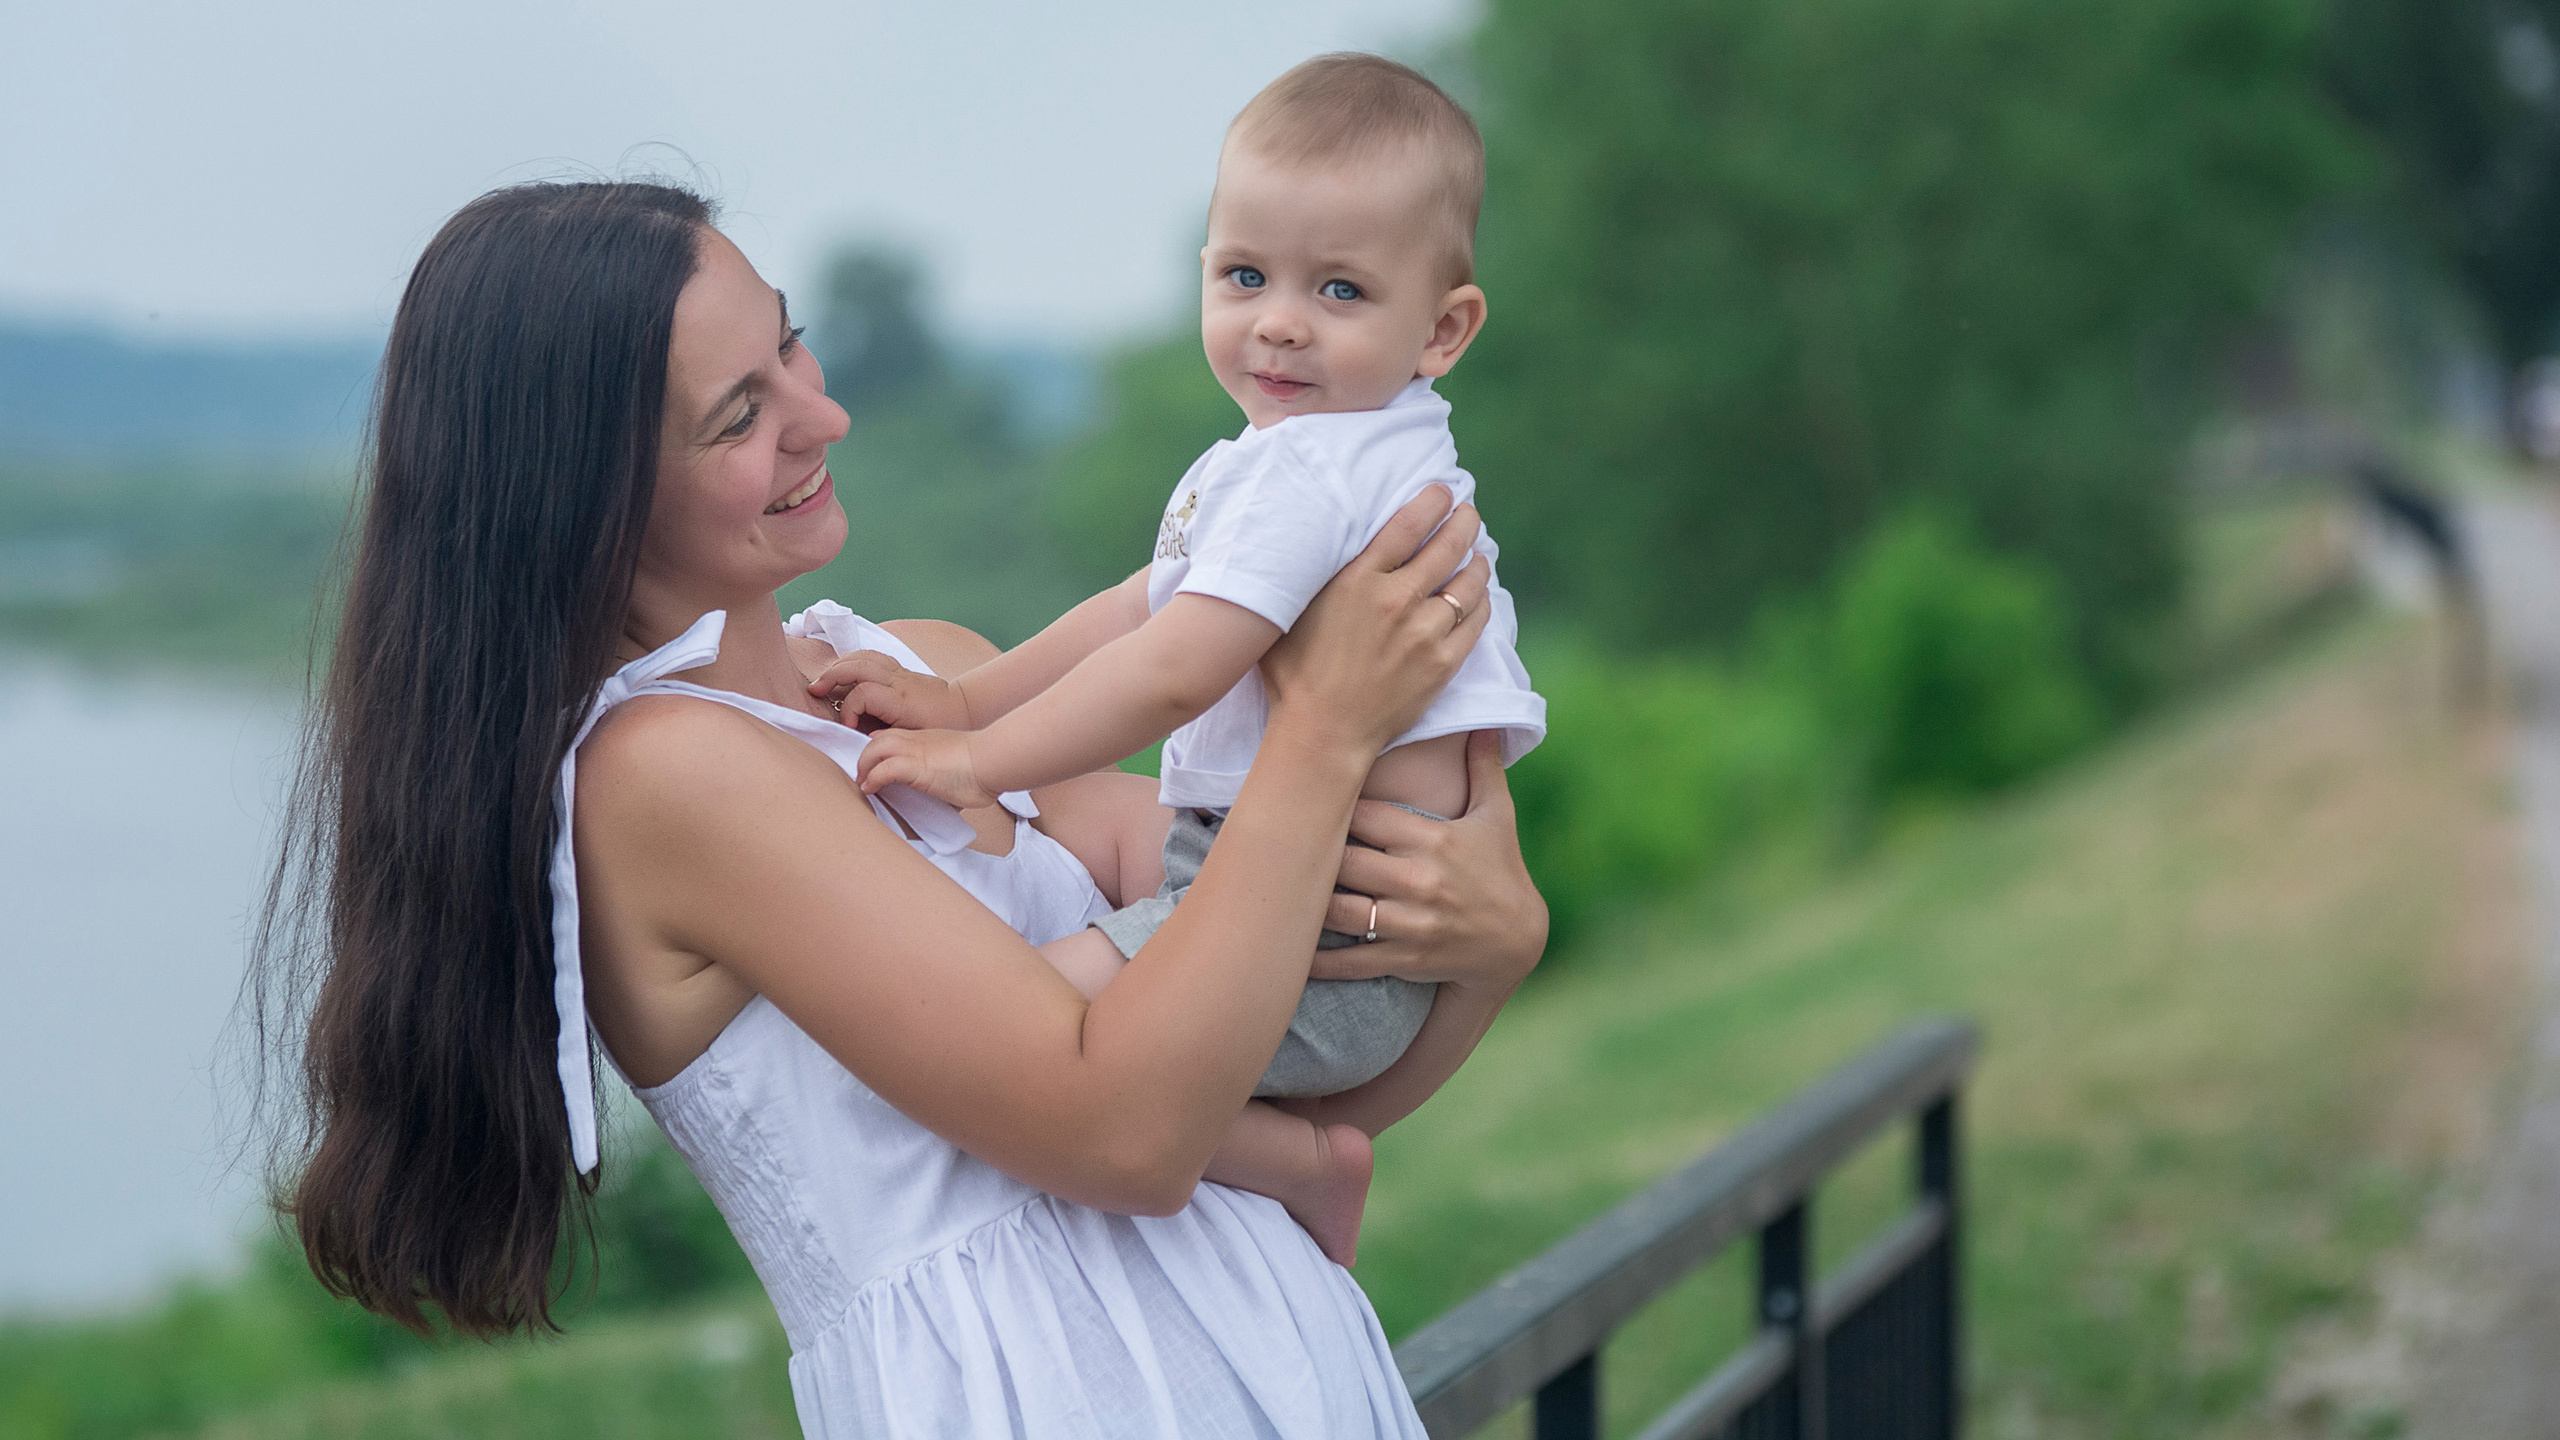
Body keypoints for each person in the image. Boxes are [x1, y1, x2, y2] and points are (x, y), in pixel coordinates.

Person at [263, 178, 1546, 1440]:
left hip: (1281, 1347)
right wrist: (1323, 734)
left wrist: (1491, 951)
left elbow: (1290, 1065)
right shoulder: (663, 776)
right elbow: (1137, 1135)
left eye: (790, 343)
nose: (823, 416)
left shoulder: (938, 682)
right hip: (1034, 1393)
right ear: (585, 494)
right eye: (737, 417)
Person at [827, 58, 1543, 1203]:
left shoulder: (1312, 469)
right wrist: (970, 695)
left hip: (1322, 940)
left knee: (1006, 1028)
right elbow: (1141, 603)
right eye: (1246, 275)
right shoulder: (1332, 455)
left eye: (1340, 292)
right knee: (1021, 1046)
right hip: (1339, 923)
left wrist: (973, 757)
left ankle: (1308, 1166)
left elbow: (1168, 672)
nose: (1279, 326)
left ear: (1443, 328)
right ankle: (1300, 1163)